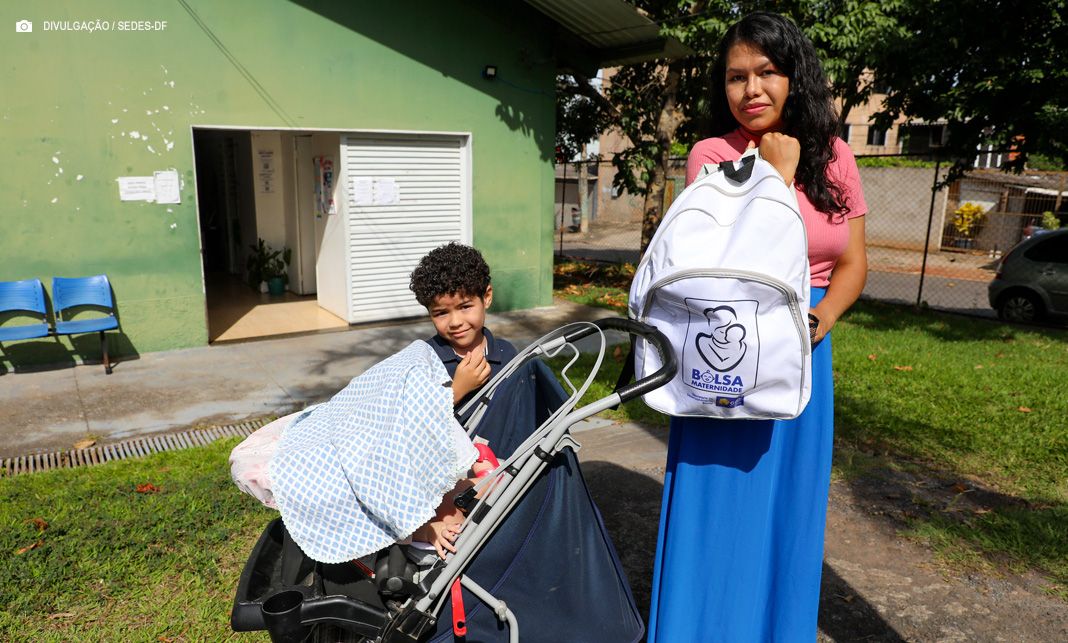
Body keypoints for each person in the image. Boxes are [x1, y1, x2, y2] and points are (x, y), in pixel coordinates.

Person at [646, 12, 868, 642]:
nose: (752, 90)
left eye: (767, 73)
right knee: (721, 498)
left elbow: (852, 263)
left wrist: (819, 320)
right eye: (736, 77)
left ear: (794, 77)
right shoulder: (711, 157)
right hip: (728, 352)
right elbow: (726, 265)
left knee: (786, 507)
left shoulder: (839, 158)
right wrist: (778, 177)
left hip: (803, 349)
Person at [408, 242, 518, 410]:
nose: (455, 322)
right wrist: (458, 389)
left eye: (465, 307)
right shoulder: (424, 363)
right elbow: (416, 420)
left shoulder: (508, 353)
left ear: (487, 297)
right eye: (441, 313)